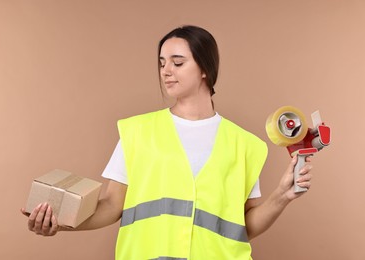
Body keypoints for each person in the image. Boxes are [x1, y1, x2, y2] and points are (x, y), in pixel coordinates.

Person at [21, 25, 313, 259]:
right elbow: (111, 206)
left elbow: (243, 227)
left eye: (177, 62)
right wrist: (60, 223)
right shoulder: (137, 131)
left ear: (204, 69)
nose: (166, 71)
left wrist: (282, 196)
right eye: (162, 63)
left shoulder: (246, 145)